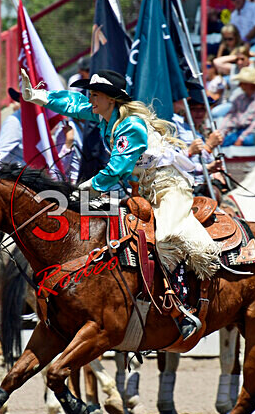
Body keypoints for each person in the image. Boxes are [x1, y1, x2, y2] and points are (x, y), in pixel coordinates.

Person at [21, 68, 222, 339]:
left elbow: (117, 167)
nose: (89, 98)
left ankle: (183, 307)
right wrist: (39, 97)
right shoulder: (106, 116)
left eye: (95, 94)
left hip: (169, 188)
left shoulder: (131, 126)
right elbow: (74, 104)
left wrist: (88, 187)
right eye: (90, 93)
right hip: (145, 189)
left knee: (165, 239)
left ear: (111, 99)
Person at [218, 66, 255, 146]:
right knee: (222, 142)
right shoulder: (239, 98)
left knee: (248, 140)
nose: (240, 85)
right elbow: (230, 117)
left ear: (251, 84)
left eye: (243, 83)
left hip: (254, 132)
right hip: (238, 130)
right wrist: (222, 133)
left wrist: (242, 137)